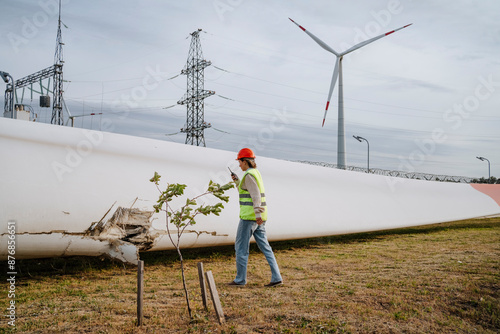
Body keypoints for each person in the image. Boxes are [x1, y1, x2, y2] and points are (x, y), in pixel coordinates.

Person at [227, 148, 283, 287]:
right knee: (265, 247)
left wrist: (257, 215)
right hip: (259, 218)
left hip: (250, 218)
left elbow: (255, 196)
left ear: (245, 161)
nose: (239, 165)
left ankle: (240, 280)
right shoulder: (255, 173)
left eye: (240, 162)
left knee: (240, 248)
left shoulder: (249, 175)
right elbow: (245, 190)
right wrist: (237, 181)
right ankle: (277, 277)